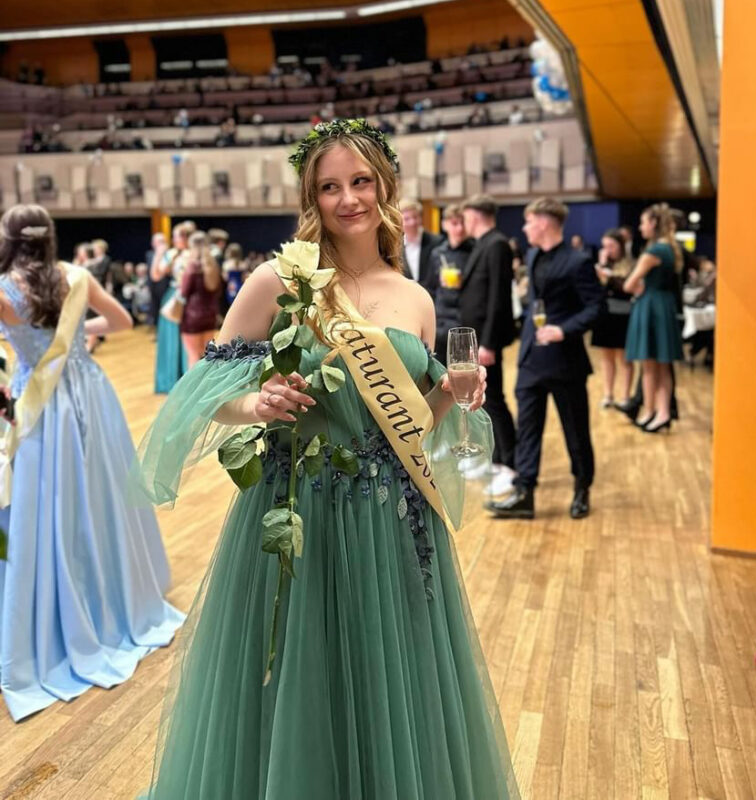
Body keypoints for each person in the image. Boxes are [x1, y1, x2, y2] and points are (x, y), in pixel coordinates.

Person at [134, 120, 518, 800]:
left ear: (385, 186)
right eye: (330, 187)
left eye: (360, 181)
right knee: (299, 680)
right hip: (298, 512)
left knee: (385, 685)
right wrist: (256, 404)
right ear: (312, 197)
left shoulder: (415, 298)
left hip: (391, 522)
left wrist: (451, 395)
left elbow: (414, 426)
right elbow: (207, 392)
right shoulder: (278, 281)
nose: (348, 199)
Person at [0, 204, 183, 722]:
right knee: (100, 495)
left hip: (38, 405)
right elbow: (121, 321)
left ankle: (41, 611)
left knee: (42, 500)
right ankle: (114, 597)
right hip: (89, 396)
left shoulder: (5, 290)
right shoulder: (76, 277)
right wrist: (81, 331)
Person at [486, 198, 603, 520]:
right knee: (528, 429)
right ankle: (525, 493)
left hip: (565, 362)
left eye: (528, 222)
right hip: (531, 359)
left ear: (544, 223)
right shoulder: (533, 255)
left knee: (575, 431)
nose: (524, 229)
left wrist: (563, 330)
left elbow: (596, 307)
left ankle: (582, 487)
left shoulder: (578, 261)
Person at [460, 195, 517, 480]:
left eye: (466, 217)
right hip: (478, 339)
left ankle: (509, 462)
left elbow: (498, 298)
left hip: (485, 340)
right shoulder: (483, 244)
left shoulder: (496, 244)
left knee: (494, 400)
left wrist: (489, 343)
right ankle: (496, 458)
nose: (464, 222)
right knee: (486, 400)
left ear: (475, 215)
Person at [623, 204, 684, 433]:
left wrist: (639, 287)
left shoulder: (654, 251)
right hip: (665, 306)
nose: (640, 228)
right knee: (663, 365)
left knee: (649, 366)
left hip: (650, 307)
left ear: (653, 223)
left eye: (643, 222)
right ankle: (663, 412)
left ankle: (649, 411)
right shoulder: (670, 249)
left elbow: (629, 284)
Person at [425, 204, 474, 365]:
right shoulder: (438, 253)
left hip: (465, 323)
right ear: (444, 225)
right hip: (441, 324)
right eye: (454, 224)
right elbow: (431, 288)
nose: (459, 229)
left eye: (462, 223)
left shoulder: (475, 251)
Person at [151, 221, 195, 394]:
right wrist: (158, 254)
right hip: (173, 298)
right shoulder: (172, 254)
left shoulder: (194, 254)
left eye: (177, 236)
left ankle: (189, 380)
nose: (174, 240)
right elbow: (156, 275)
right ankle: (170, 380)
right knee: (171, 338)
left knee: (189, 341)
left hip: (190, 298)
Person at [592, 230, 634, 408]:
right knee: (607, 357)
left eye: (611, 246)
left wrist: (608, 276)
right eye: (605, 246)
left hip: (623, 314)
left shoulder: (630, 264)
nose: (608, 250)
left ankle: (625, 396)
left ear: (621, 246)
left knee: (624, 358)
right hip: (605, 313)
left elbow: (626, 288)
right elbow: (596, 288)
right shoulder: (602, 265)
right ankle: (608, 394)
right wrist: (601, 267)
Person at [179, 231, 221, 368]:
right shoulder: (213, 265)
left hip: (191, 317)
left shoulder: (192, 266)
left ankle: (193, 383)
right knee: (206, 356)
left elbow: (183, 292)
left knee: (193, 357)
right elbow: (218, 290)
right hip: (210, 315)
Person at [399, 198, 443, 290]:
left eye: (415, 217)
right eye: (407, 219)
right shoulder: (395, 246)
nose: (412, 222)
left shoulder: (437, 242)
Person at [147, 231, 170, 328]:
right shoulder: (150, 254)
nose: (161, 244)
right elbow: (151, 273)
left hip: (166, 286)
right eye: (159, 241)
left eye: (163, 241)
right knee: (155, 307)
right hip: (153, 286)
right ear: (153, 243)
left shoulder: (169, 254)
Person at [222, 242, 249, 310]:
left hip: (231, 287)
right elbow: (244, 278)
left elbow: (225, 278)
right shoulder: (244, 264)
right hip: (240, 287)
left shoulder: (226, 264)